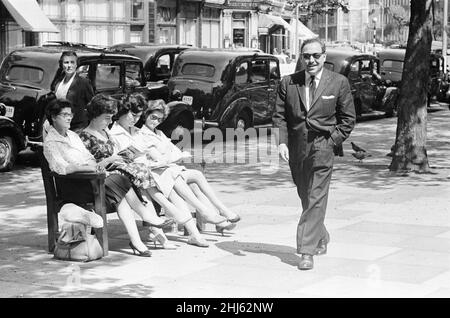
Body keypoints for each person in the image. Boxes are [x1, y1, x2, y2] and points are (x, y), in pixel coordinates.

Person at [44, 98, 174, 258]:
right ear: (54, 117)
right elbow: (61, 168)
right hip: (74, 186)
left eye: (70, 114)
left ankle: (137, 241)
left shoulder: (72, 135)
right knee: (120, 180)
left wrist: (93, 165)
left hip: (91, 179)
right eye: (64, 115)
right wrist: (87, 167)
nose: (69, 117)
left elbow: (89, 157)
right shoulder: (51, 141)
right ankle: (147, 216)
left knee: (121, 192)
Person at [273, 38, 356, 270]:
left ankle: (306, 251)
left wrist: (332, 141)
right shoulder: (288, 82)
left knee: (316, 196)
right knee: (306, 197)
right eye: (306, 56)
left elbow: (348, 120)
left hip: (323, 146)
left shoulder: (338, 82)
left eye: (315, 56)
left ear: (324, 56)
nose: (310, 60)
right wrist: (282, 142)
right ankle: (321, 235)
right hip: (296, 149)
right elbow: (279, 117)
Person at [109, 94, 238, 236]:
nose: (135, 119)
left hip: (157, 169)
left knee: (193, 180)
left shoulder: (141, 131)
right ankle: (214, 216)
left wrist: (172, 156)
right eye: (153, 117)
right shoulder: (120, 133)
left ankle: (213, 218)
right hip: (147, 173)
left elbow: (173, 152)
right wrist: (171, 156)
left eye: (159, 119)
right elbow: (147, 157)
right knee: (187, 178)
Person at [78, 94, 178, 250]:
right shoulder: (84, 137)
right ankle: (154, 223)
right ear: (95, 116)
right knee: (140, 183)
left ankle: (141, 239)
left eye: (111, 117)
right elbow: (89, 166)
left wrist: (125, 156)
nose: (110, 122)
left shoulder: (106, 133)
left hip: (117, 179)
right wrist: (111, 159)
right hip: (100, 181)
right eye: (107, 118)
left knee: (138, 182)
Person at [52, 51, 94, 132]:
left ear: (76, 64)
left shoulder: (83, 82)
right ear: (62, 64)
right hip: (60, 126)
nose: (69, 66)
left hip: (77, 127)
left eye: (72, 62)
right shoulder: (58, 81)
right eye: (66, 62)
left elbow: (92, 104)